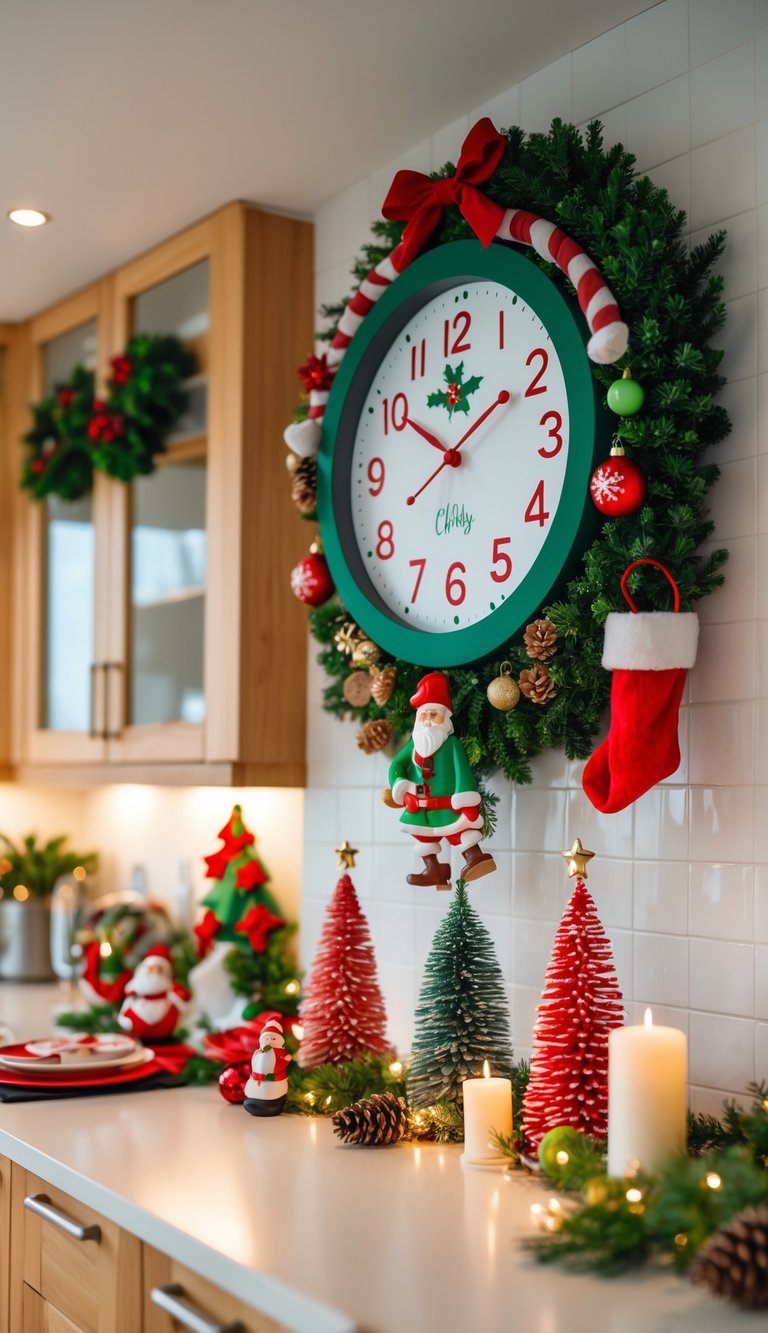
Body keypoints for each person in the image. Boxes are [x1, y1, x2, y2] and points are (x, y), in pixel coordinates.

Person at [387, 671, 496, 889]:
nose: (427, 720)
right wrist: (401, 784)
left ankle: (475, 858)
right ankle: (434, 869)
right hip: (421, 809)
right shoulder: (413, 745)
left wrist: (467, 800)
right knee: (424, 839)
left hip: (449, 805)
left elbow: (462, 772)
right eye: (423, 715)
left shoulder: (451, 745)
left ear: (445, 718)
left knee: (459, 832)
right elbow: (396, 765)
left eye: (433, 715)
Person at [117, 945, 190, 1041]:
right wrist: (123, 1018)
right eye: (151, 968)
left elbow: (185, 1005)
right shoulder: (135, 991)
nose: (153, 973)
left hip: (165, 1033)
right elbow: (128, 1003)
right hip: (139, 1032)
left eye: (158, 970)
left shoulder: (169, 990)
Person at [243, 1017, 292, 1117]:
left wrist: (286, 1059)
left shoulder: (280, 1052)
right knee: (258, 1091)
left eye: (273, 1038)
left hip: (274, 1081)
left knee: (273, 1092)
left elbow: (282, 1062)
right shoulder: (258, 1052)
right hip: (258, 1081)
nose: (269, 1040)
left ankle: (274, 1104)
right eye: (266, 1038)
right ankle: (255, 1101)